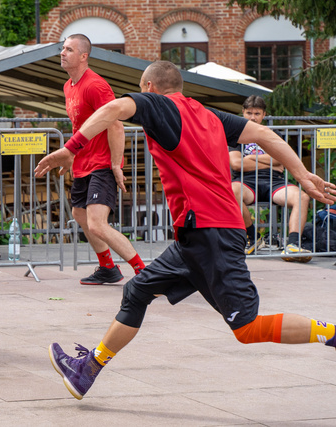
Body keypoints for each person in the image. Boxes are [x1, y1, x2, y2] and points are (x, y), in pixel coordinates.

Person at [35, 61, 336, 401]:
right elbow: (265, 135)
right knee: (136, 291)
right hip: (194, 236)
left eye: (141, 89)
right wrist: (302, 174)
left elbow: (115, 108)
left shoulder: (158, 105)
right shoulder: (210, 116)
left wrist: (69, 148)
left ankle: (333, 334)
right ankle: (87, 370)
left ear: (149, 87)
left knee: (248, 328)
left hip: (212, 235)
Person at [59, 34, 145, 284]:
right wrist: (71, 155)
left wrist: (116, 165)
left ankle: (144, 272)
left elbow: (116, 125)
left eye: (69, 49)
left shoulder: (95, 85)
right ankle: (108, 268)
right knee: (80, 215)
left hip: (101, 164)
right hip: (83, 164)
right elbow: (80, 128)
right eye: (62, 49)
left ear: (84, 56)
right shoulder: (69, 86)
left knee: (97, 223)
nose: (63, 53)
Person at [229, 95, 311, 262]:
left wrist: (251, 159)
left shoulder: (274, 133)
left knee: (301, 196)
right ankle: (252, 238)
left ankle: (293, 245)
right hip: (246, 182)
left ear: (264, 114)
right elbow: (237, 164)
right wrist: (270, 161)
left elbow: (281, 161)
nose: (252, 117)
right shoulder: (235, 134)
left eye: (257, 113)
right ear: (243, 112)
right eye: (249, 113)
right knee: (230, 191)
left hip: (275, 182)